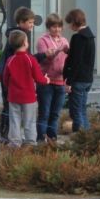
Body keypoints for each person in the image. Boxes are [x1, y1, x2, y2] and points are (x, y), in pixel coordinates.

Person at [0, 7, 53, 143]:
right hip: (20, 87)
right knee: (24, 118)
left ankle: (10, 139)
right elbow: (27, 60)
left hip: (11, 83)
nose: (32, 25)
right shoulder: (20, 36)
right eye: (30, 22)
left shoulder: (14, 35)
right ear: (21, 22)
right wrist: (44, 78)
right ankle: (18, 139)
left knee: (11, 113)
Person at [3, 30, 50, 147]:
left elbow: (5, 78)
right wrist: (46, 80)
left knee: (14, 121)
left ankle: (14, 143)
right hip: (29, 97)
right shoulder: (30, 59)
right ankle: (30, 143)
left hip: (13, 96)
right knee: (29, 121)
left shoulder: (10, 60)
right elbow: (39, 78)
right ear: (25, 43)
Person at [36, 13, 69, 142]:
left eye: (59, 27)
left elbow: (67, 61)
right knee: (44, 112)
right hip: (46, 81)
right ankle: (41, 138)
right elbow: (44, 58)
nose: (57, 29)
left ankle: (52, 138)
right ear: (49, 27)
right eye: (54, 27)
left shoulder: (64, 41)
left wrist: (67, 80)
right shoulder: (42, 40)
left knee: (55, 113)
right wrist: (57, 51)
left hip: (60, 81)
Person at [63, 9, 95, 132]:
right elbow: (83, 56)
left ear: (74, 22)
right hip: (87, 78)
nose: (68, 26)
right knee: (82, 110)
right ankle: (87, 136)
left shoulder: (77, 37)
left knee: (76, 112)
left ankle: (80, 137)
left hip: (78, 79)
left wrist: (69, 81)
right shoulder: (90, 36)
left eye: (69, 23)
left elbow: (76, 62)